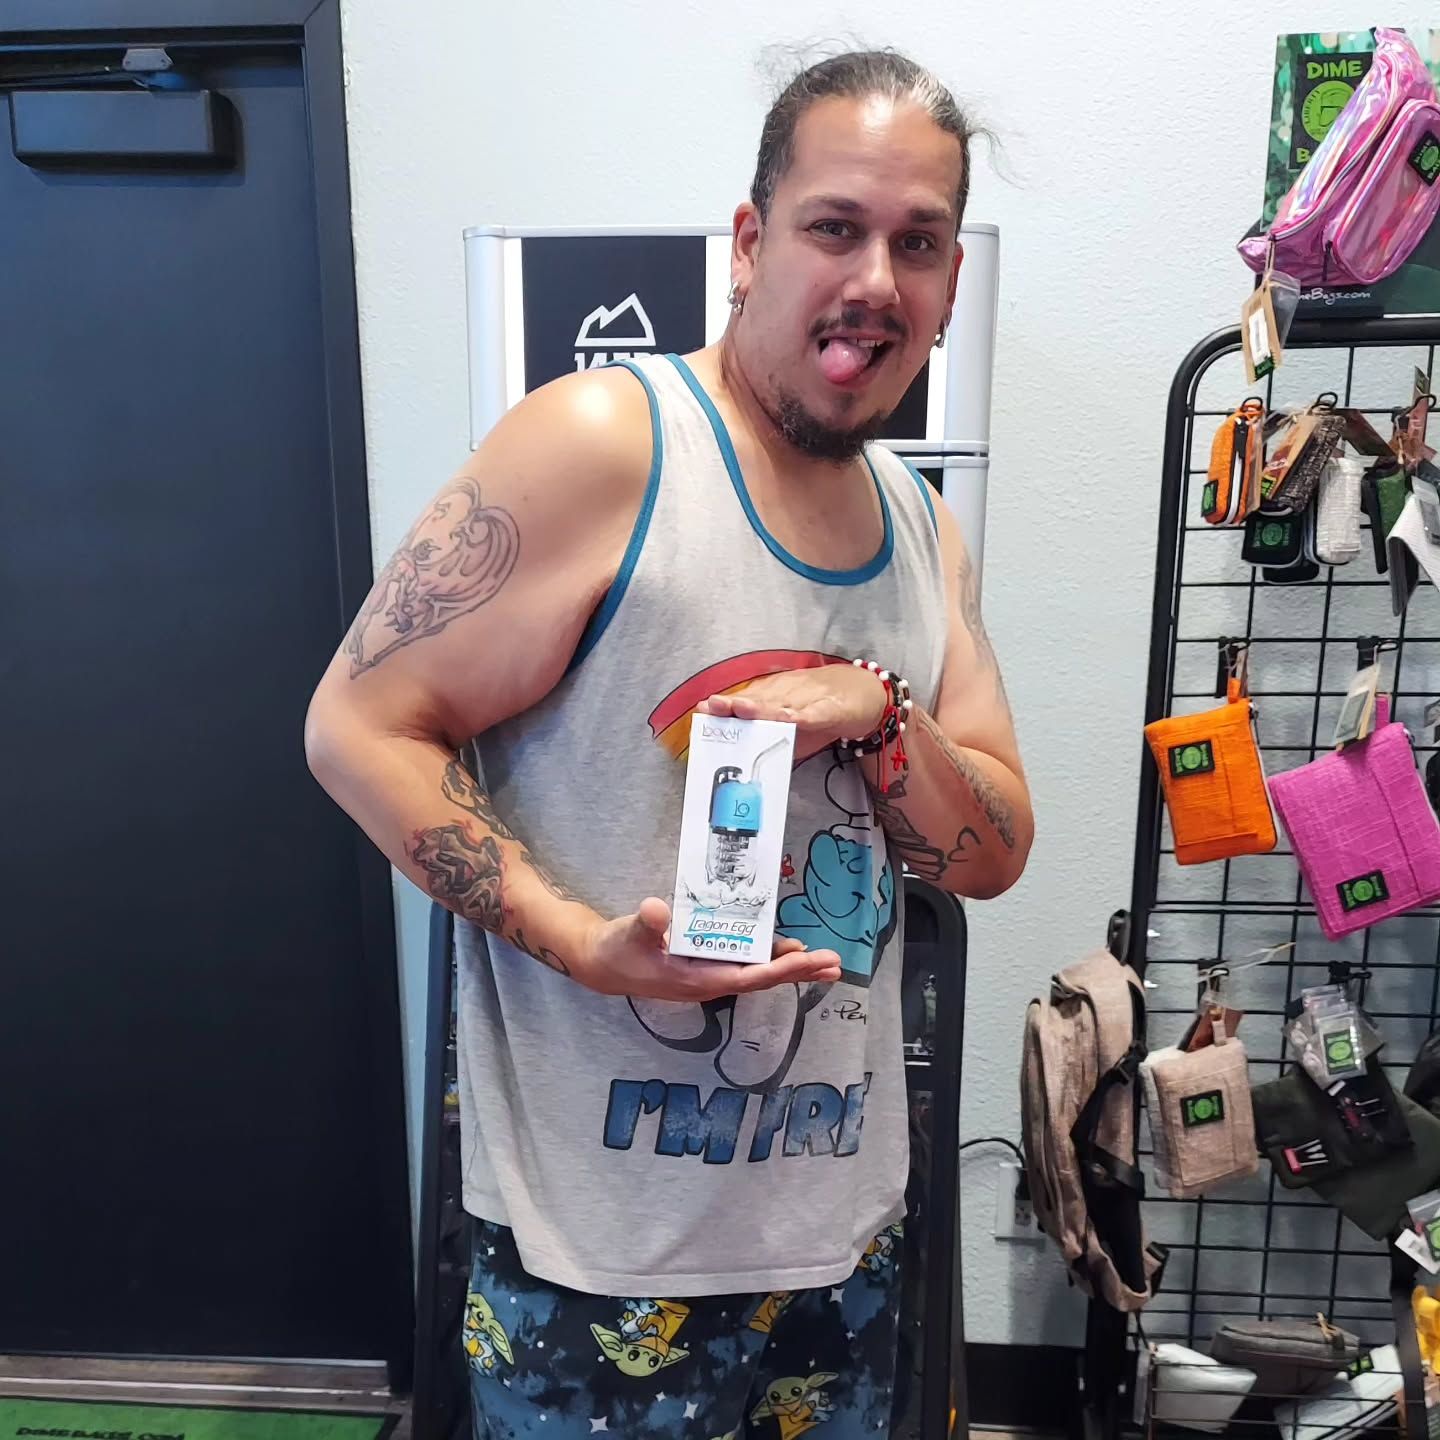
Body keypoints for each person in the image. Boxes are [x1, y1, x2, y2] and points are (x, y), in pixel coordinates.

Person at [306, 47, 1032, 1440]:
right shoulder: (604, 444)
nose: (878, 278)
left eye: (920, 242)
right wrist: (585, 945)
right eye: (837, 227)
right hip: (602, 1261)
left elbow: (992, 848)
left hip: (841, 1239)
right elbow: (355, 725)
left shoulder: (924, 528)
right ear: (751, 245)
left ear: (947, 281)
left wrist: (881, 712)